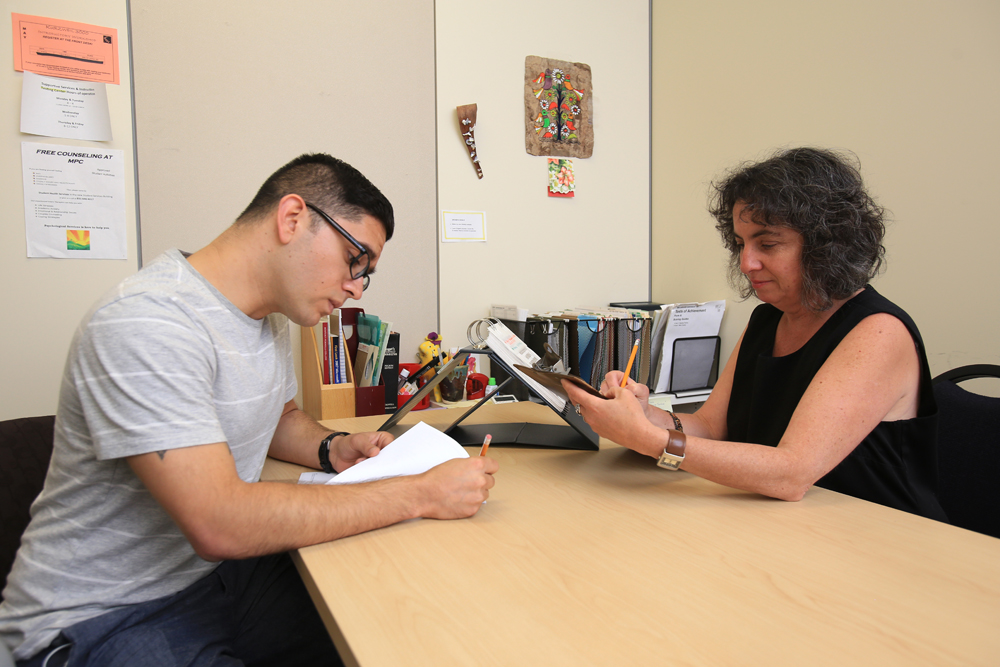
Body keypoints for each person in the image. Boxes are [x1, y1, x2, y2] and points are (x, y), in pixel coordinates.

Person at [0, 153, 499, 667]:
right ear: (292, 219)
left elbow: (278, 417)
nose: (355, 288)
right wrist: (419, 493)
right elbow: (221, 521)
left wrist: (332, 448)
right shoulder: (147, 322)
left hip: (211, 577)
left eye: (365, 274)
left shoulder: (267, 317)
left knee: (400, 622)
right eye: (356, 260)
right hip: (100, 615)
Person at [564, 147, 946, 521]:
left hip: (881, 539)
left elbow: (792, 474)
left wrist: (650, 440)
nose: (747, 263)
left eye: (767, 244)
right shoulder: (767, 321)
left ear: (827, 246)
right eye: (741, 244)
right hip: (784, 526)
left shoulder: (878, 332)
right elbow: (712, 427)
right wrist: (646, 415)